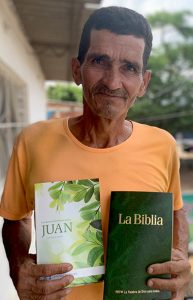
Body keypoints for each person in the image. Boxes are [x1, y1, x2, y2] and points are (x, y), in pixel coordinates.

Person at [0, 6, 191, 300]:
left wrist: (179, 257)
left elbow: (176, 210)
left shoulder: (162, 145)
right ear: (77, 70)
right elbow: (16, 219)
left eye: (129, 67)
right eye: (100, 61)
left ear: (144, 82)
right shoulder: (33, 141)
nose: (113, 82)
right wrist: (18, 268)